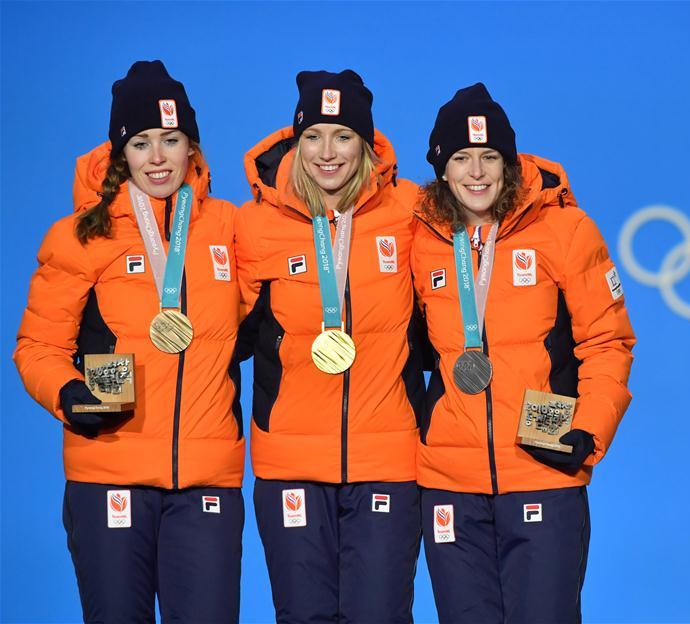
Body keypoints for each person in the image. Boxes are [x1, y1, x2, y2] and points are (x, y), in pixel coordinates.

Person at [13, 60, 245, 623]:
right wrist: (70, 394)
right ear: (121, 151)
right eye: (142, 143)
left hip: (206, 477)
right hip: (109, 471)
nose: (158, 157)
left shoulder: (229, 229)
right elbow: (37, 346)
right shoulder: (81, 235)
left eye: (172, 140)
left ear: (193, 146)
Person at [413, 83, 636, 623]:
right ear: (441, 168)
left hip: (542, 465)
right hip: (449, 482)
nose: (477, 172)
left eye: (490, 156)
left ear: (509, 163)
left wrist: (588, 429)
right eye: (461, 158)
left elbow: (609, 341)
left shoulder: (564, 229)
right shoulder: (420, 236)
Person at [235, 69, 424, 624]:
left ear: (365, 143)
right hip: (289, 462)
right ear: (295, 141)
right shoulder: (254, 225)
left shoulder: (412, 212)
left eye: (343, 136)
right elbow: (223, 330)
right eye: (313, 135)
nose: (327, 152)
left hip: (388, 460)